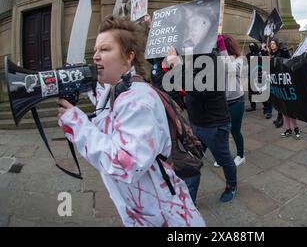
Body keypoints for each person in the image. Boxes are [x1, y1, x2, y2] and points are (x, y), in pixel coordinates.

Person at [57, 16, 205, 227]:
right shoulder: (114, 90)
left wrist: (78, 124)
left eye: (105, 49)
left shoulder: (138, 101)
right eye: (95, 50)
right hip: (142, 212)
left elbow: (126, 165)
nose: (96, 56)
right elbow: (104, 108)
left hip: (165, 218)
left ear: (129, 57)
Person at [166, 36, 238, 203]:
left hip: (214, 124)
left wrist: (177, 66)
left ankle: (231, 186)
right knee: (192, 161)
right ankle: (190, 199)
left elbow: (198, 90)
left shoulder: (212, 59)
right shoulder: (192, 57)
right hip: (196, 122)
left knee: (223, 159)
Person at [213, 35, 246, 167]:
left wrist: (222, 50)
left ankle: (241, 155)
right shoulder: (219, 58)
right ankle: (224, 157)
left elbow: (231, 69)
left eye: (222, 48)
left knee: (235, 130)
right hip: (221, 102)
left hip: (236, 102)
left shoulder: (240, 59)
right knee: (221, 132)